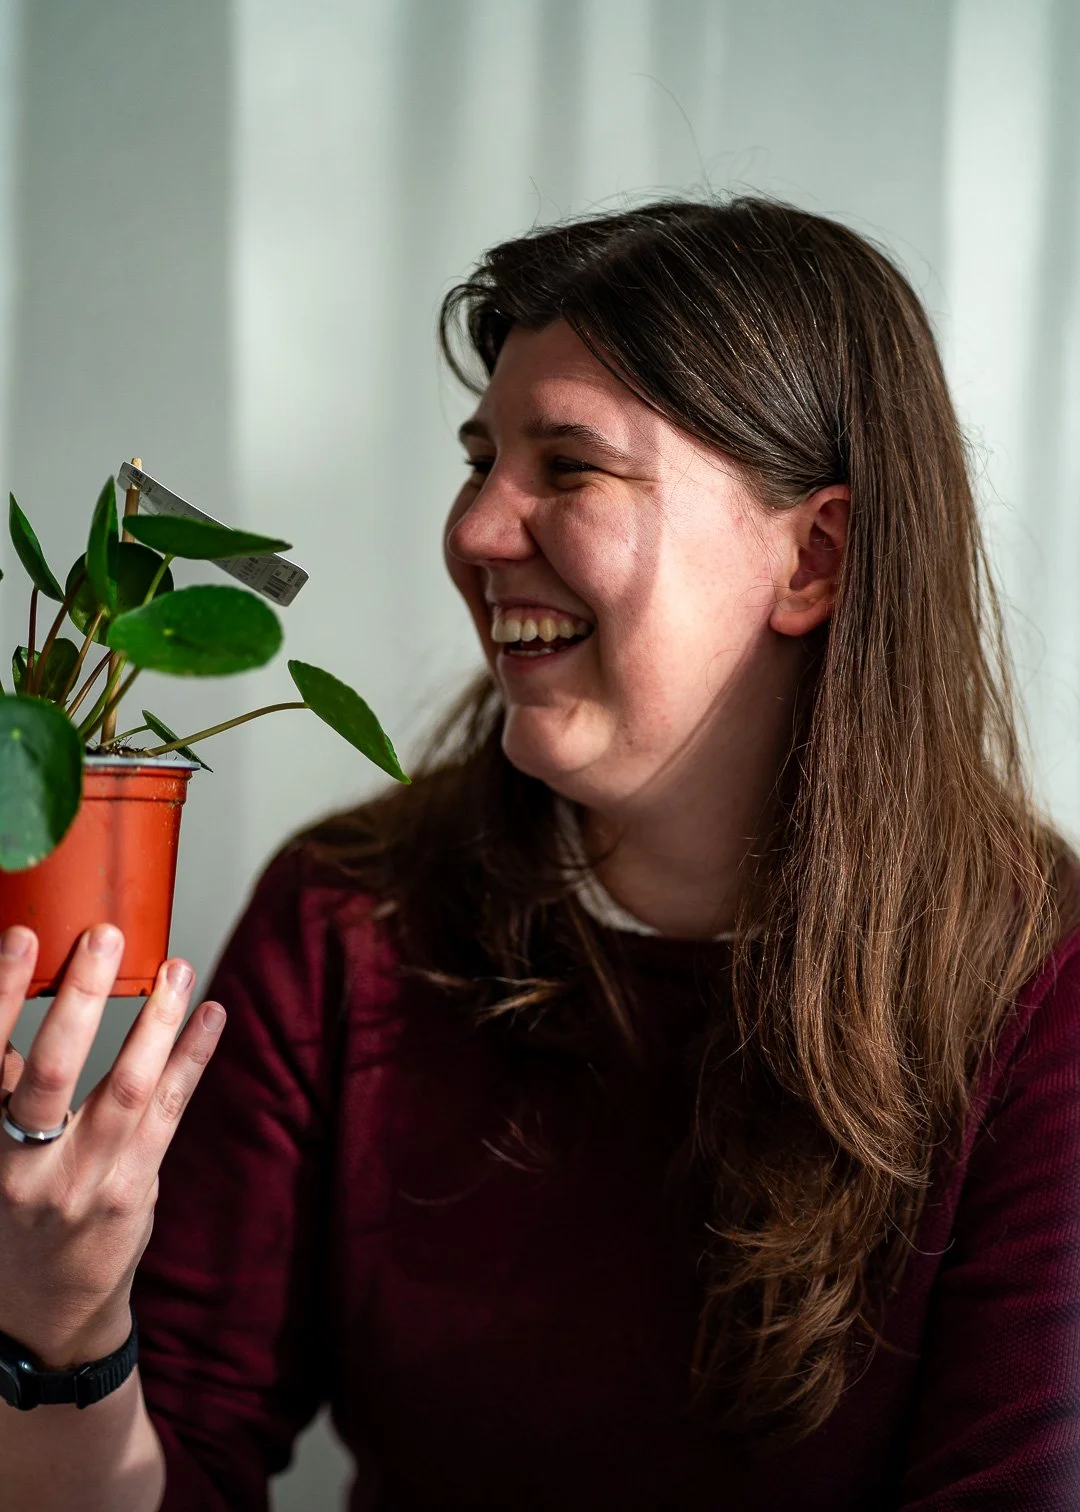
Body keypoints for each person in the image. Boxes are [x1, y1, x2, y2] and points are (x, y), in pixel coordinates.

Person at [2, 195, 1079, 1512]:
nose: (473, 532)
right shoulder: (351, 919)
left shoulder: (1041, 995)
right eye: (482, 460)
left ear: (814, 558)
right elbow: (180, 1472)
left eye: (568, 468)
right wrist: (64, 1337)